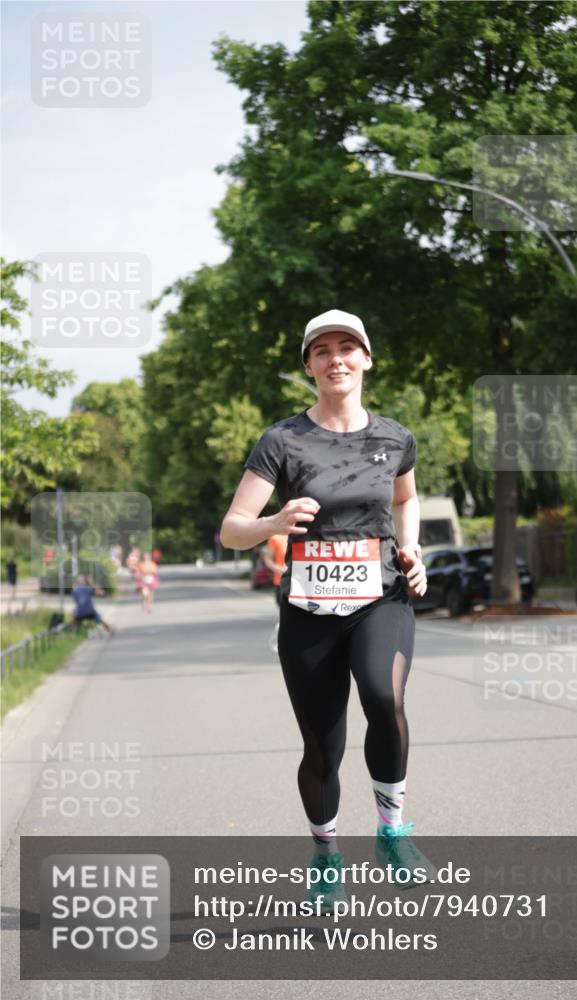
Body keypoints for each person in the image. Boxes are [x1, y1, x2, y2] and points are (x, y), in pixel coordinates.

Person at [221, 308, 433, 910]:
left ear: (366, 358)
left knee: (383, 696)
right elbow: (232, 530)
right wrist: (275, 522)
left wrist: (412, 547)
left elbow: (406, 497)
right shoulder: (282, 441)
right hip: (310, 612)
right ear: (309, 365)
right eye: (322, 350)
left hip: (381, 598)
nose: (336, 358)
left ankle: (392, 833)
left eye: (348, 347)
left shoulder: (394, 437)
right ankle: (326, 854)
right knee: (323, 747)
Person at [262, 533, 289, 652]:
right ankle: (284, 643)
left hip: (302, 584)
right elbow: (268, 559)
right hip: (281, 583)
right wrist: (278, 568)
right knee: (285, 616)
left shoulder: (305, 533)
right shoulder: (276, 538)